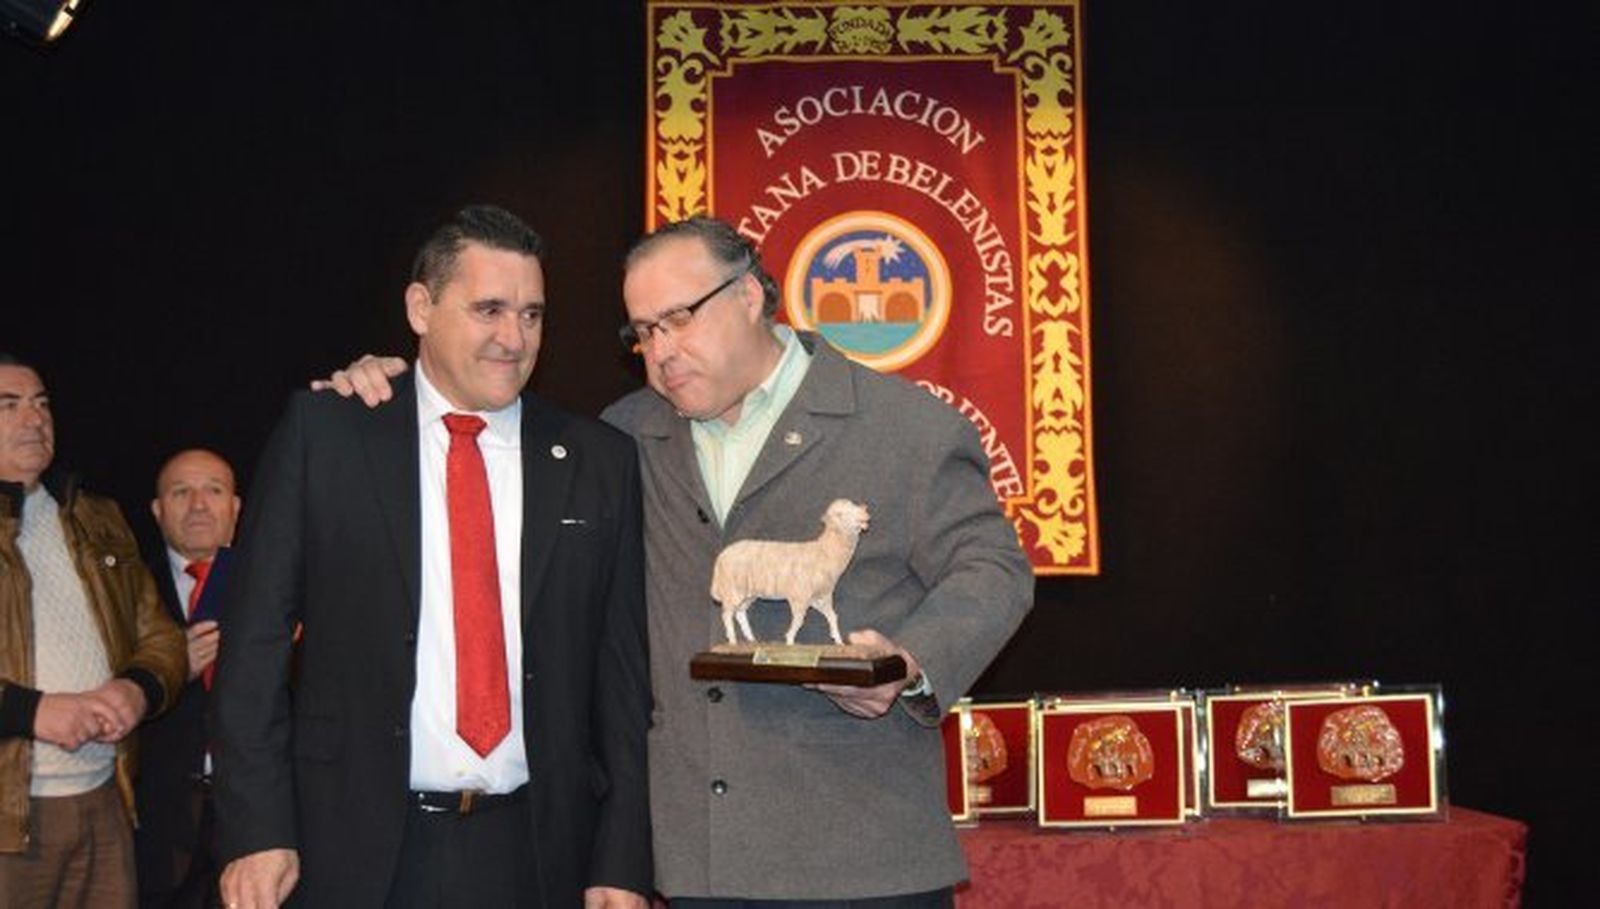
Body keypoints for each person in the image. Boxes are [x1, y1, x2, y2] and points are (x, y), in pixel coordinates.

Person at [324, 215, 1034, 906]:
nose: (662, 350)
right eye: (644, 332)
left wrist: (909, 663)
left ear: (751, 295)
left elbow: (995, 569)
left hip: (863, 861)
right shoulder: (624, 437)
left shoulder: (902, 425)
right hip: (701, 860)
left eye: (681, 318)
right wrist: (387, 386)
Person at [211, 206, 652, 909]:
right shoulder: (327, 435)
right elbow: (254, 646)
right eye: (489, 309)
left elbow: (622, 676)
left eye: (533, 314)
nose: (515, 337)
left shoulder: (599, 460)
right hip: (350, 848)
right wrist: (255, 826)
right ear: (421, 306)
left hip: (539, 852)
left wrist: (623, 856)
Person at [0, 353, 189, 909]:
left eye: (41, 403)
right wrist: (29, 712)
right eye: (9, 405)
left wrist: (136, 689)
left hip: (106, 801)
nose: (34, 419)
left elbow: (161, 638)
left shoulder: (97, 516)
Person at [135, 448, 241, 908]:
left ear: (236, 507)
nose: (198, 505)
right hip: (160, 831)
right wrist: (172, 668)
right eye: (181, 492)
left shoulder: (280, 588)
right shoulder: (127, 592)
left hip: (253, 827)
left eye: (213, 491)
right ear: (158, 511)